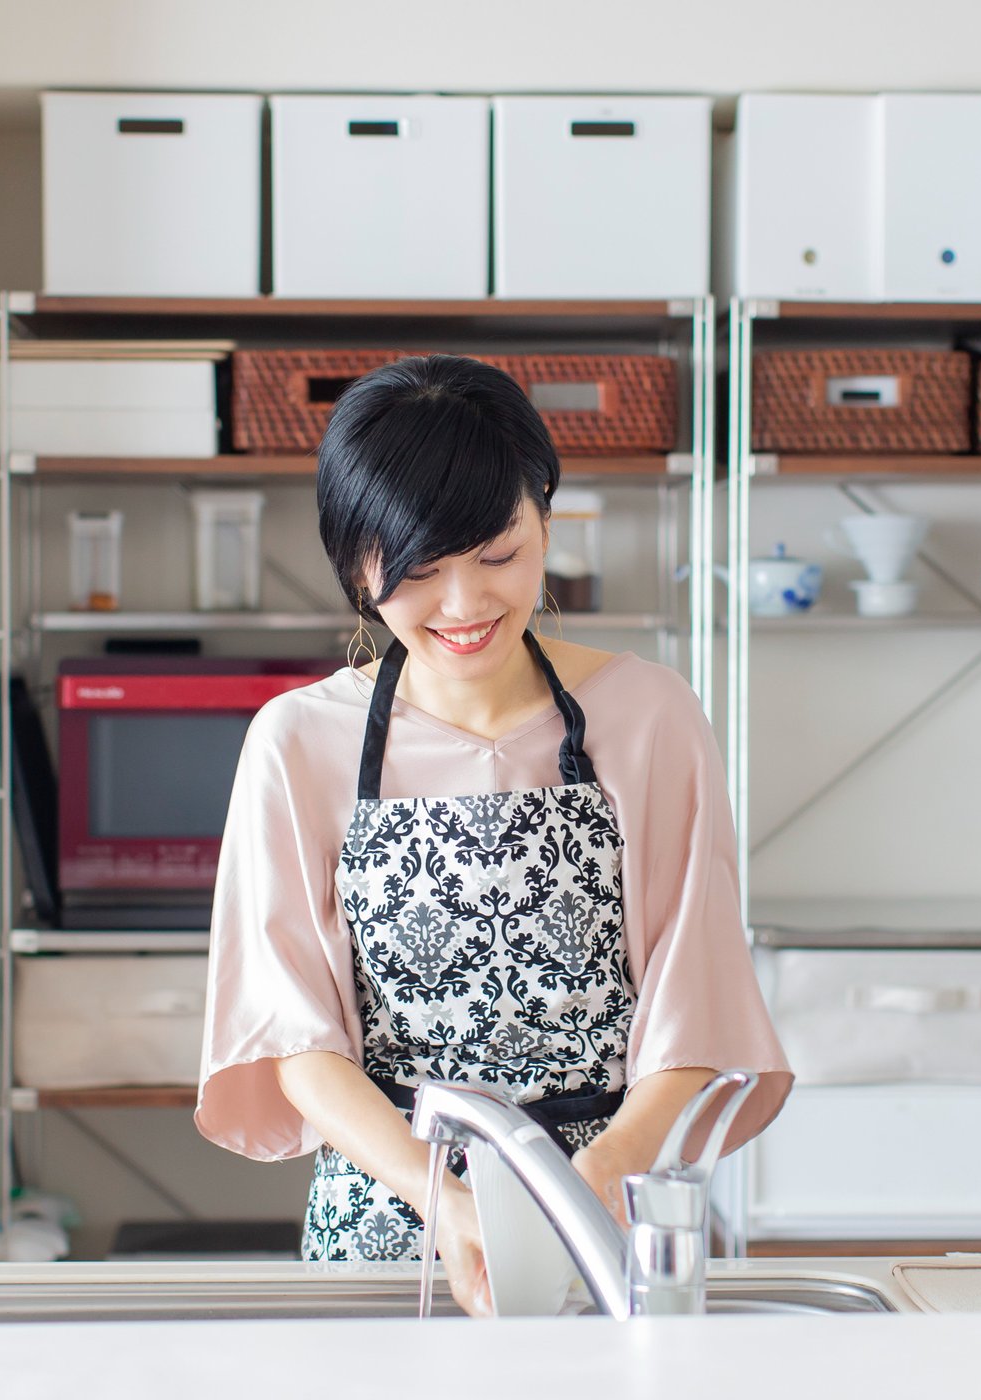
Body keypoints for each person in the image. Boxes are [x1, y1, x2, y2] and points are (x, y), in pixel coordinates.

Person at [195, 354, 792, 1315]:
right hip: (389, 1223)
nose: (468, 605)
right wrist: (455, 1209)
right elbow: (293, 1035)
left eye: (500, 556)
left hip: (610, 1213)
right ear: (357, 563)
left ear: (546, 519)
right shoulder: (297, 741)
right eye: (421, 572)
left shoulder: (649, 715)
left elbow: (699, 995)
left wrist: (596, 1180)